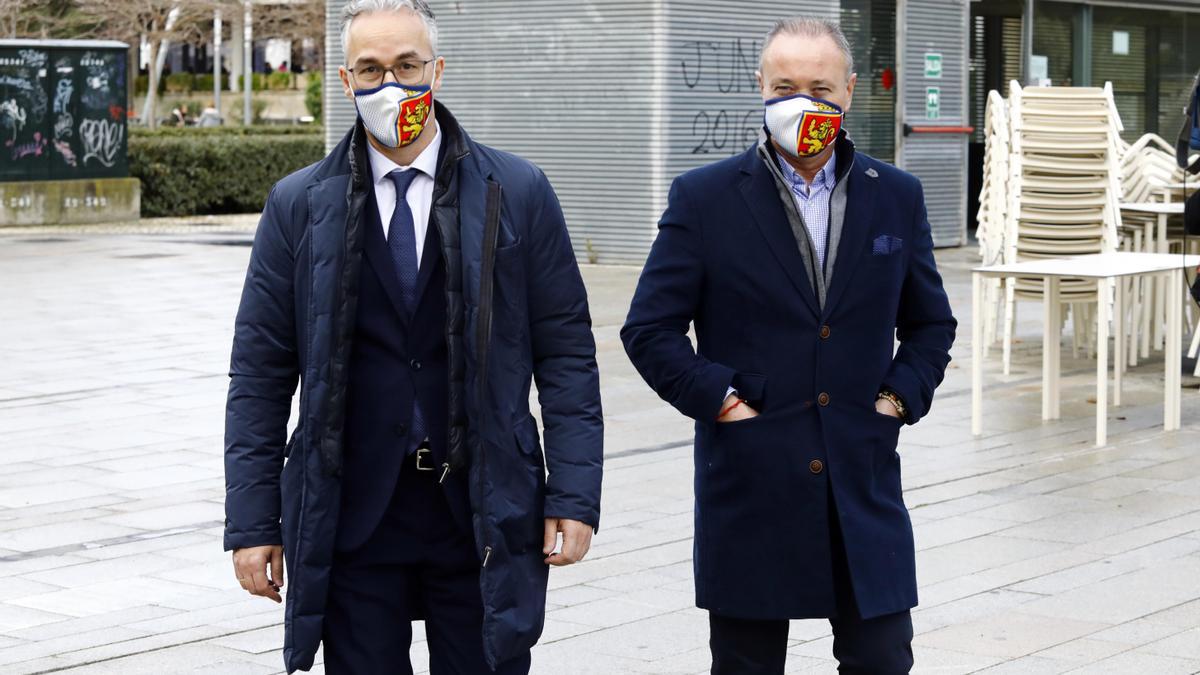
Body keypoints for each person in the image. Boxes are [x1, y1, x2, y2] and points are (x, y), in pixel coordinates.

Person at [222, 1, 604, 673]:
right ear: (345, 82)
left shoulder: (516, 191)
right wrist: (253, 523)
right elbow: (259, 371)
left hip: (482, 507)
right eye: (370, 69)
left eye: (406, 65)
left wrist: (574, 494)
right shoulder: (298, 204)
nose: (389, 84)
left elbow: (567, 352)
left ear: (438, 70)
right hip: (354, 510)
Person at [622, 16, 956, 675]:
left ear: (850, 91)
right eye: (785, 85)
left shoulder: (897, 198)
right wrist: (719, 398)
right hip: (752, 483)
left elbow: (932, 324)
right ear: (761, 87)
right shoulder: (705, 198)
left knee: (884, 659)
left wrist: (897, 396)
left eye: (821, 87)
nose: (803, 102)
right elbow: (648, 328)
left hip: (861, 484)